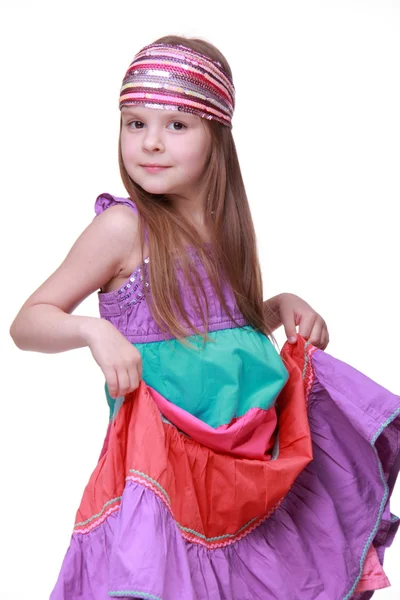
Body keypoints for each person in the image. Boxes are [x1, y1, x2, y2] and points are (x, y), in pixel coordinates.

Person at [9, 35, 399, 600]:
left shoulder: (225, 231)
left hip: (245, 474)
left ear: (217, 137)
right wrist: (93, 330)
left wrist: (277, 306)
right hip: (166, 480)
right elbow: (28, 322)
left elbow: (220, 335)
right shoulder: (125, 231)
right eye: (135, 123)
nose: (151, 144)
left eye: (176, 125)